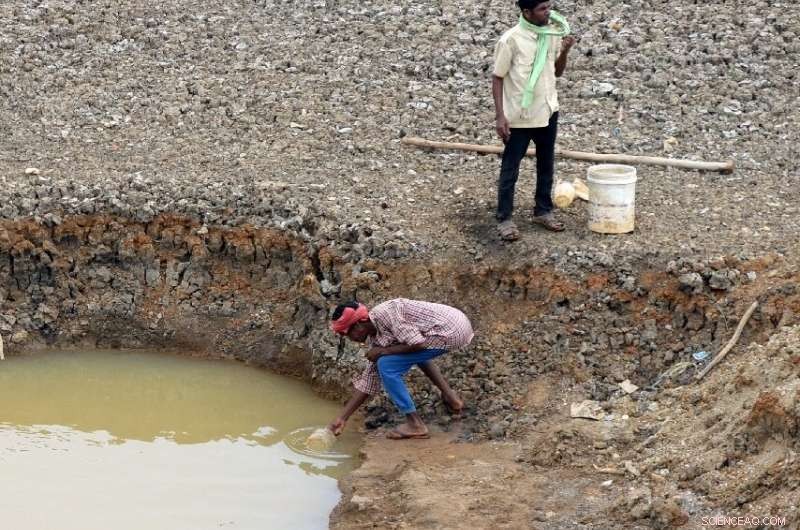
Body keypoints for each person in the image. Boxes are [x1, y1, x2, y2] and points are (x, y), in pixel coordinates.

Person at [327, 299, 473, 440]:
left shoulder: (387, 315)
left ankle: (415, 424)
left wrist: (384, 352)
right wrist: (342, 418)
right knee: (408, 354)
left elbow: (418, 344)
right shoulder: (376, 336)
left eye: (348, 334)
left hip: (453, 330)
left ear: (358, 324)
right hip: (453, 324)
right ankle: (452, 399)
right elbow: (370, 379)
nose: (350, 339)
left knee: (386, 365)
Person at [492, 0, 577, 241]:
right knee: (511, 167)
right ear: (526, 12)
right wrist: (500, 116)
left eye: (549, 7)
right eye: (542, 9)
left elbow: (556, 71)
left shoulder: (549, 34)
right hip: (520, 115)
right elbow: (497, 78)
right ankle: (505, 218)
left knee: (546, 164)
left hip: (548, 110)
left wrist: (565, 50)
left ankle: (543, 210)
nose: (548, 12)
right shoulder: (511, 40)